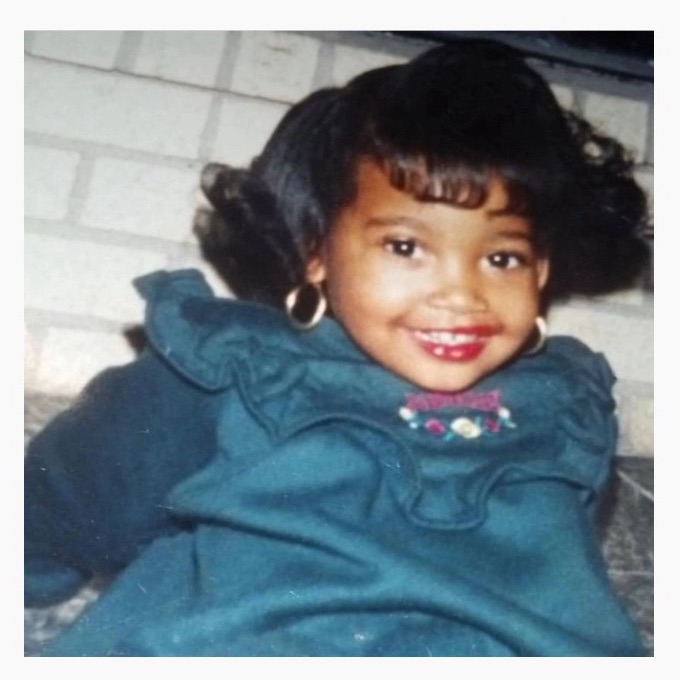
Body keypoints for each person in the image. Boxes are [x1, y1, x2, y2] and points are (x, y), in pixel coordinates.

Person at [24, 40, 651, 656]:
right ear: (317, 251)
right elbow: (72, 493)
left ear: (541, 270)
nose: (462, 294)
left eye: (502, 257)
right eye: (406, 247)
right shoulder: (243, 372)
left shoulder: (564, 402)